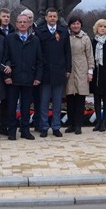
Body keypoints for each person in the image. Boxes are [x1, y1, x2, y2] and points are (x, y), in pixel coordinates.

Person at [3, 13, 41, 141]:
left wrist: (37, 77)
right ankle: (12, 131)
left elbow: (39, 60)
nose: (23, 24)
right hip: (13, 78)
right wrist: (6, 76)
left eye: (25, 22)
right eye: (20, 22)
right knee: (11, 106)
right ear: (16, 24)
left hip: (29, 78)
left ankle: (25, 130)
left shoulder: (35, 40)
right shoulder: (9, 39)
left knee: (26, 106)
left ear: (29, 24)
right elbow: (5, 58)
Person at [34, 8, 71, 138]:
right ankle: (44, 127)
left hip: (59, 72)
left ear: (57, 18)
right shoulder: (39, 32)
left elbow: (67, 52)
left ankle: (56, 127)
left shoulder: (64, 32)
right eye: (50, 16)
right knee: (44, 102)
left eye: (54, 16)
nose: (52, 18)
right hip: (44, 72)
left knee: (57, 102)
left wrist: (68, 69)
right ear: (45, 17)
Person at [64, 15, 94, 135]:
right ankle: (70, 124)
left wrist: (90, 71)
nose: (76, 26)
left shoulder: (85, 38)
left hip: (82, 69)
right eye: (73, 24)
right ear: (70, 25)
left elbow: (90, 55)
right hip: (69, 70)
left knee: (80, 99)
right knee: (70, 99)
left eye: (78, 23)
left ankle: (78, 125)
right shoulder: (66, 37)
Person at [0, 7, 16, 135]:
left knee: (9, 101)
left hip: (11, 69)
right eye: (3, 16)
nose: (6, 18)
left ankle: (7, 125)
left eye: (8, 16)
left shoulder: (14, 31)